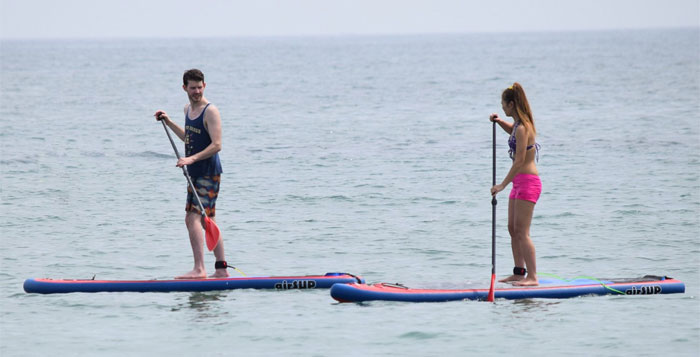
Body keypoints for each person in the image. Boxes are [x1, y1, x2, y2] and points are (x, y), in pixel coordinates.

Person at [154, 69, 229, 279]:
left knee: (192, 218)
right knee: (208, 220)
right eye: (192, 87)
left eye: (199, 87)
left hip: (208, 172)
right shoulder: (188, 109)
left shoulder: (210, 111)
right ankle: (221, 269)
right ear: (184, 88)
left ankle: (199, 269)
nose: (196, 91)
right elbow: (189, 138)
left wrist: (191, 159)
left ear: (204, 86)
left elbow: (217, 145)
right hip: (194, 174)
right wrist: (168, 122)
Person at [489, 82, 541, 286]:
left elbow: (519, 161)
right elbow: (512, 130)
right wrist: (499, 121)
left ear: (511, 104)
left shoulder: (524, 127)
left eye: (503, 105)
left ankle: (533, 277)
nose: (502, 107)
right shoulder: (518, 125)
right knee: (512, 228)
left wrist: (501, 185)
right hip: (519, 183)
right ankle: (519, 272)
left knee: (522, 231)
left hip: (528, 182)